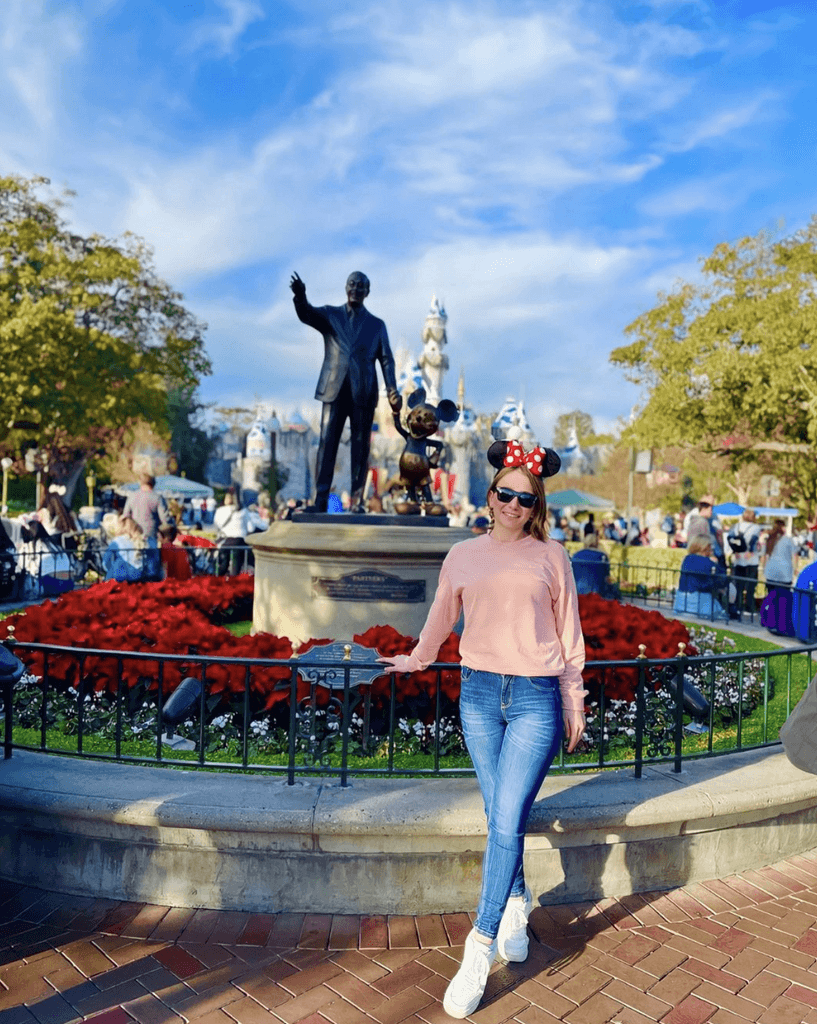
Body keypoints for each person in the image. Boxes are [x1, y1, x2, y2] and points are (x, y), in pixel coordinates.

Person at [378, 440, 585, 1019]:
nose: (515, 503)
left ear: (536, 503)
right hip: (478, 695)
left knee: (507, 816)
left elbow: (569, 636)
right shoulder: (462, 555)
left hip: (535, 700)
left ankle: (480, 945)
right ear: (489, 496)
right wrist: (417, 660)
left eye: (526, 496)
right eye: (506, 493)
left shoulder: (553, 557)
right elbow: (441, 617)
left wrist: (575, 699)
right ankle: (516, 899)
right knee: (502, 817)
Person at [290, 271, 403, 512]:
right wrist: (300, 296)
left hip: (363, 391)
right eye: (352, 284)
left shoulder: (376, 325)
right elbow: (307, 314)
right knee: (327, 443)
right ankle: (320, 501)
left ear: (367, 292)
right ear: (345, 287)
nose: (356, 288)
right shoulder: (332, 315)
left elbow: (387, 360)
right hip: (333, 388)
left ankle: (357, 502)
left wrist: (392, 388)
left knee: (361, 448)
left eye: (361, 286)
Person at [672, 534, 729, 620]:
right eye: (710, 547)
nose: (711, 549)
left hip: (681, 601)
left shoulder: (687, 559)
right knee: (721, 616)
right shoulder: (707, 561)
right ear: (705, 547)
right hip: (697, 602)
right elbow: (722, 577)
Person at [728, 509, 762, 615]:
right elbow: (753, 539)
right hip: (751, 560)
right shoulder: (756, 527)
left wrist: (735, 550)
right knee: (751, 586)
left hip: (738, 559)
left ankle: (738, 607)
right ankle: (749, 608)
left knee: (738, 585)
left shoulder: (736, 526)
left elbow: (730, 538)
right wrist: (750, 551)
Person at [122, 473, 172, 540]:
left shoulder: (131, 497)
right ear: (153, 483)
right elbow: (165, 520)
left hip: (135, 537)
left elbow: (126, 516)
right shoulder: (157, 498)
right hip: (151, 536)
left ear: (140, 483)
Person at [214, 493, 250, 575]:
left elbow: (216, 525)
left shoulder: (220, 510)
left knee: (223, 564)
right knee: (236, 565)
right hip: (240, 540)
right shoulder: (244, 511)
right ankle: (235, 580)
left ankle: (220, 579)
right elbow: (250, 528)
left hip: (226, 540)